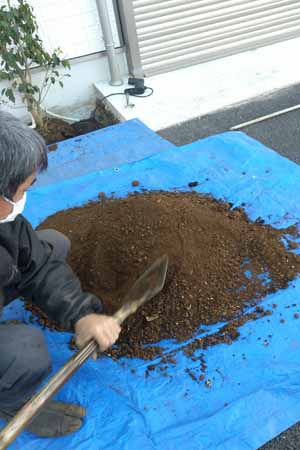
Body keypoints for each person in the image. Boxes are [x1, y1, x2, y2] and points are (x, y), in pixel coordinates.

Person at [0, 111, 121, 437]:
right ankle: (11, 400)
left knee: (51, 244)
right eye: (22, 189)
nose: (24, 198)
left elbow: (38, 262)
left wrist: (81, 316)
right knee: (24, 351)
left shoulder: (7, 223)